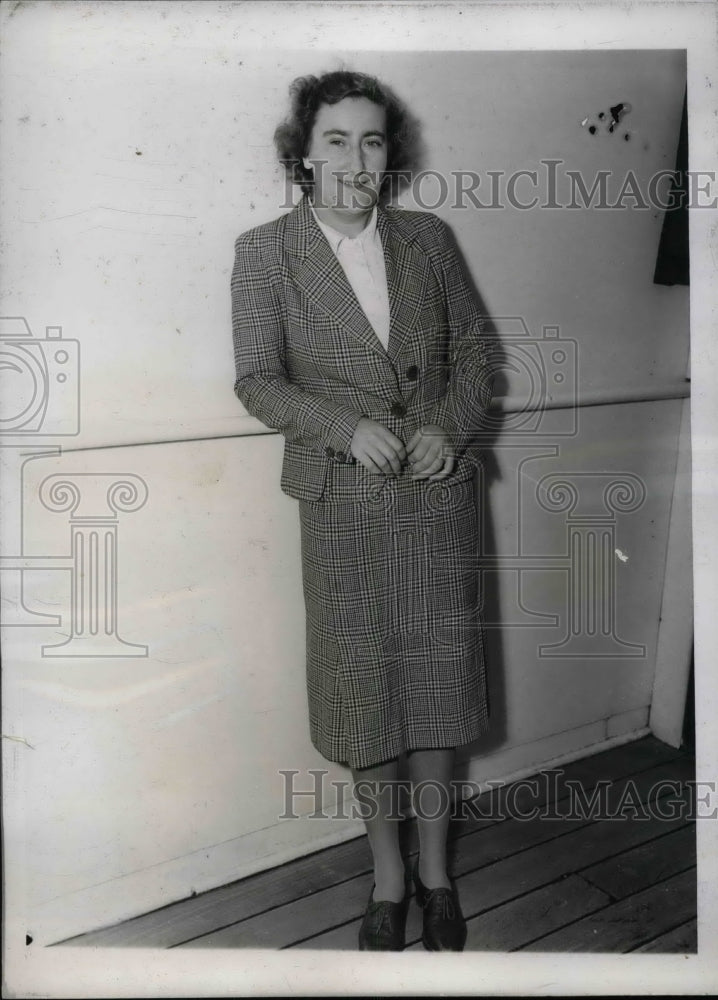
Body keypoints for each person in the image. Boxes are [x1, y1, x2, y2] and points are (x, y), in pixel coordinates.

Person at [231, 69, 494, 952]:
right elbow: (257, 378)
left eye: (372, 140)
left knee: (437, 698)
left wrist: (448, 431)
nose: (356, 157)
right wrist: (343, 428)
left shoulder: (428, 239)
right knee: (365, 701)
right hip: (340, 507)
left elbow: (480, 359)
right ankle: (386, 878)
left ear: (392, 153)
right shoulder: (265, 253)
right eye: (336, 140)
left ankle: (436, 874)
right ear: (303, 155)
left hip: (435, 501)